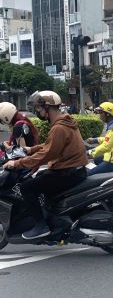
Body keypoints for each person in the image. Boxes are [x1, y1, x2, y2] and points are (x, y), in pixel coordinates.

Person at [2, 91, 88, 239]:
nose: (37, 112)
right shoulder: (64, 122)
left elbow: (47, 154)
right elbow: (50, 146)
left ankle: (40, 226)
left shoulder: (59, 128)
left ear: (47, 108)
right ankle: (55, 217)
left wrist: (17, 163)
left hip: (68, 172)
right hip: (73, 170)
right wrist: (30, 149)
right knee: (41, 177)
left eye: (39, 109)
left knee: (26, 187)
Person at [86, 102, 113, 175]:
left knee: (89, 174)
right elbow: (109, 139)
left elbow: (106, 146)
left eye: (101, 113)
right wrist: (95, 140)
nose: (99, 115)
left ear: (107, 114)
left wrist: (89, 153)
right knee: (96, 160)